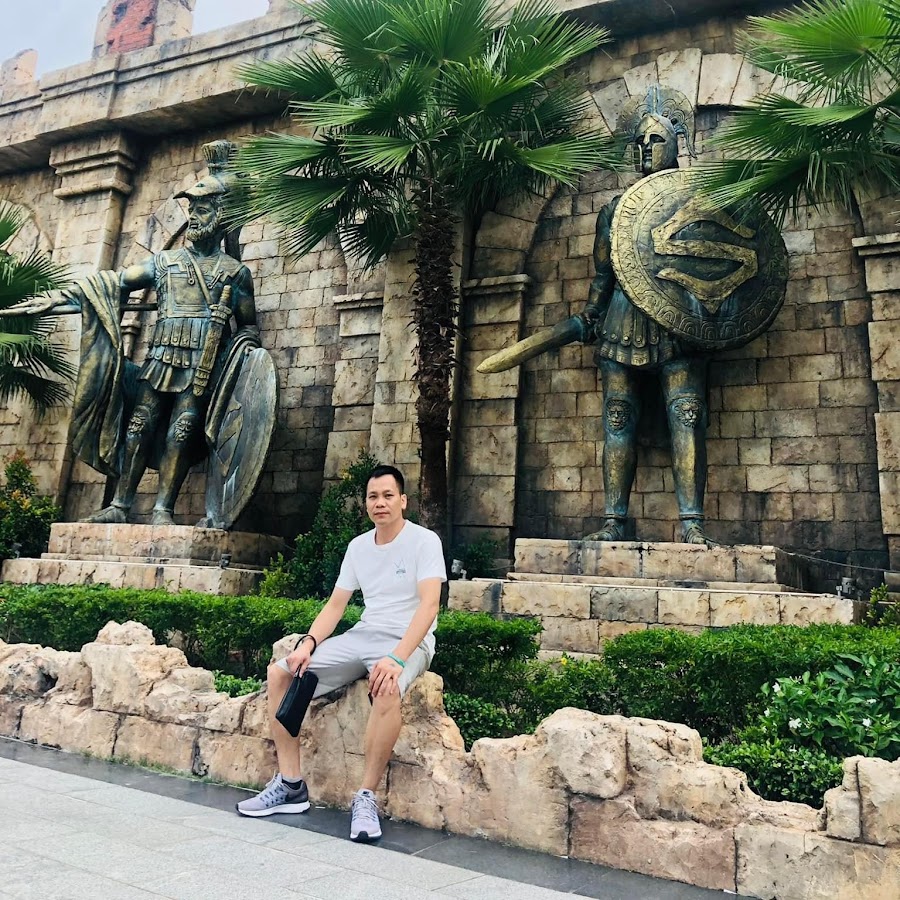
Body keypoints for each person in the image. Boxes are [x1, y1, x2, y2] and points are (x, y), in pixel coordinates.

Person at [236, 464, 446, 842]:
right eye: (373, 496)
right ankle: (291, 785)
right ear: (366, 503)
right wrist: (309, 643)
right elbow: (335, 606)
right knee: (281, 673)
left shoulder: (424, 541)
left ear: (403, 501)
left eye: (388, 495)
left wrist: (397, 658)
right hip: (363, 635)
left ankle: (365, 798)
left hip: (408, 641)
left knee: (385, 685)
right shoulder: (358, 547)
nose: (380, 503)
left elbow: (430, 605)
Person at [579, 85, 710, 545]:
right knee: (617, 420)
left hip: (679, 319)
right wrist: (590, 314)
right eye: (639, 142)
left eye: (655, 140)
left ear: (676, 144)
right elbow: (604, 273)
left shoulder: (697, 196)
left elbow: (713, 260)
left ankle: (692, 524)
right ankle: (613, 521)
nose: (645, 149)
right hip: (621, 322)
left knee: (687, 418)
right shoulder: (615, 210)